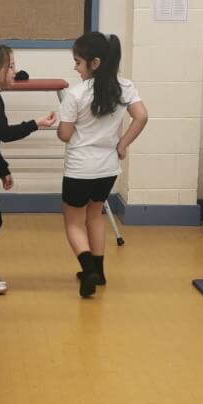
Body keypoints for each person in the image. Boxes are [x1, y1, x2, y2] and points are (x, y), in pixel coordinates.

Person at [57, 31, 147, 297]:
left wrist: (57, 125)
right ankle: (99, 271)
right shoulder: (124, 87)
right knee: (95, 215)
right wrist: (122, 144)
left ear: (94, 63)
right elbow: (141, 116)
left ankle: (88, 270)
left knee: (74, 222)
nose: (75, 67)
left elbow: (65, 135)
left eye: (78, 62)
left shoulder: (76, 94)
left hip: (79, 169)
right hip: (107, 169)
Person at [0, 43, 56, 296]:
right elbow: (4, 134)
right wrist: (36, 123)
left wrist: (2, 169)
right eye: (11, 66)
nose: (15, 72)